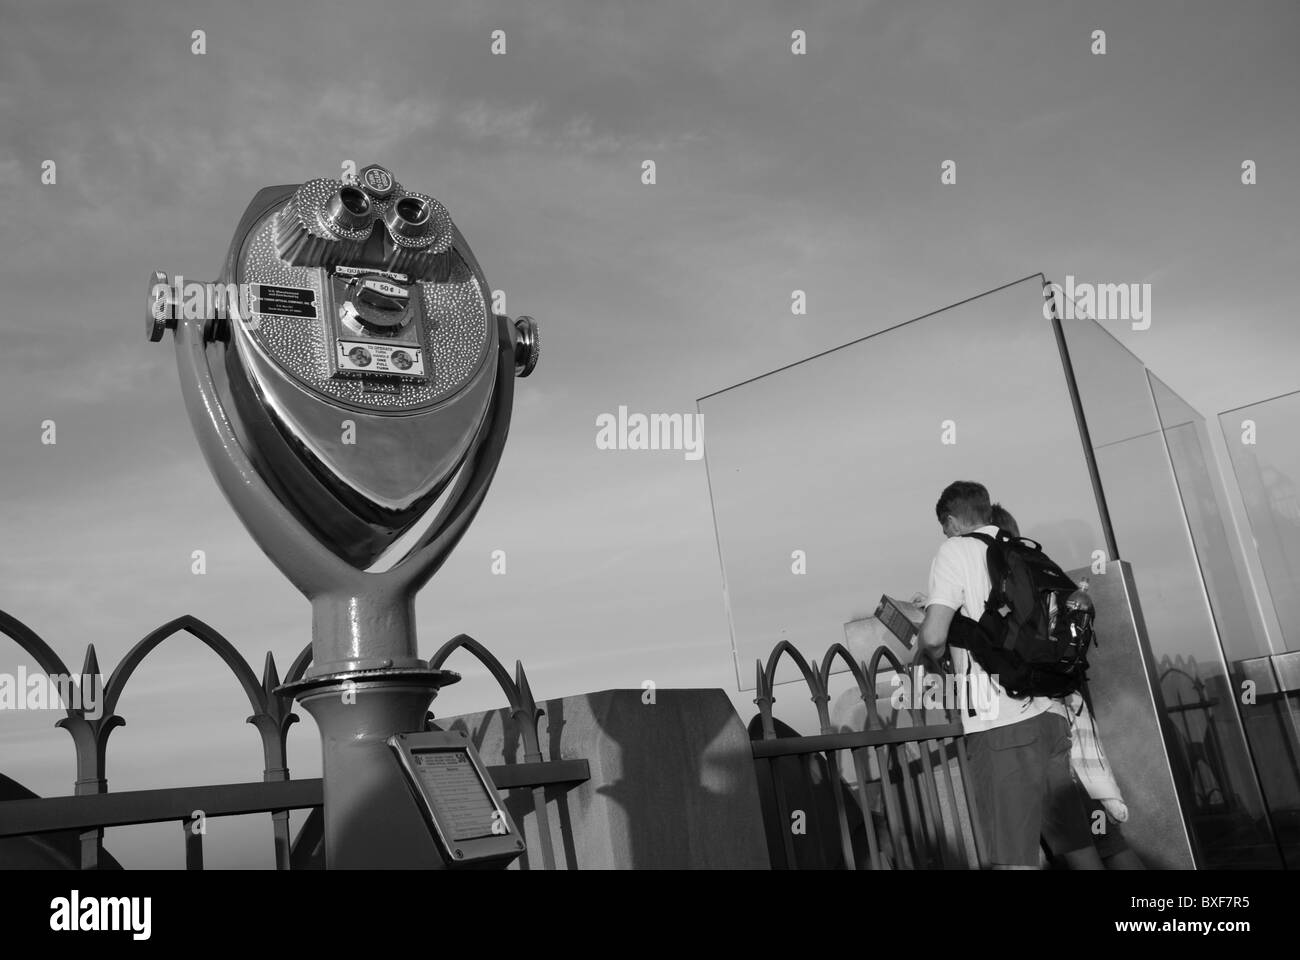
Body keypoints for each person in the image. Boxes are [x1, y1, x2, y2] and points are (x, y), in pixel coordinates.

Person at [917, 482, 1101, 869]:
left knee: (1013, 859)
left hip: (1001, 726)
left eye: (944, 527)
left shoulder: (955, 550)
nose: (946, 534)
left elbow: (934, 637)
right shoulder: (1020, 549)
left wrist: (929, 651)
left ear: (951, 522)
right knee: (1077, 847)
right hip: (1049, 716)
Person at [989, 503, 1144, 870]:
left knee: (1075, 844)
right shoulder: (1042, 571)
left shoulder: (1005, 580)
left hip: (1038, 724)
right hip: (1070, 713)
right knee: (1106, 842)